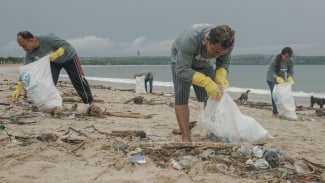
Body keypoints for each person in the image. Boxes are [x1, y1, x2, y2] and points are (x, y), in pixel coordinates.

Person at [171, 24, 235, 142]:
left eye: (220, 53)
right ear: (206, 40)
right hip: (181, 62)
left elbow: (224, 62)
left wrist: (220, 76)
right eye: (215, 51)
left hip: (204, 62)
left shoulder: (227, 44)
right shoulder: (190, 40)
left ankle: (212, 132)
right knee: (181, 97)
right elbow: (182, 69)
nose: (216, 56)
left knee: (213, 96)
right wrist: (206, 82)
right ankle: (186, 136)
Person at [13, 31, 96, 109]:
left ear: (31, 41)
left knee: (78, 80)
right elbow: (26, 70)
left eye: (24, 45)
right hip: (54, 62)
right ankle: (53, 105)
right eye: (21, 47)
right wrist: (19, 86)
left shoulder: (47, 39)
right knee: (49, 83)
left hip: (70, 57)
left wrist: (59, 51)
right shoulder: (29, 53)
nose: (24, 49)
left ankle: (91, 104)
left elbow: (66, 45)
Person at [266, 47, 294, 118]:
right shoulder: (275, 59)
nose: (287, 58)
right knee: (274, 95)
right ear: (282, 54)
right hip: (271, 78)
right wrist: (276, 78)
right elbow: (271, 71)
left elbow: (290, 71)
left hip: (281, 79)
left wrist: (289, 77)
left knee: (281, 95)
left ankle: (281, 111)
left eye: (289, 56)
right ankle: (275, 113)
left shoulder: (290, 61)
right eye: (286, 56)